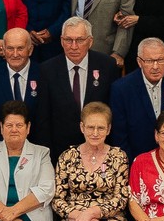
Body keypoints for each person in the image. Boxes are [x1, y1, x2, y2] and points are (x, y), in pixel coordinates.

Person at [37, 17, 117, 160]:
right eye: (68, 40)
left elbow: (114, 111)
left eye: (80, 40)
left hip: (100, 152)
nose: (73, 46)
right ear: (61, 41)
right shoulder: (47, 70)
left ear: (90, 41)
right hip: (61, 154)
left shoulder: (107, 66)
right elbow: (43, 119)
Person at [0, 28, 42, 144]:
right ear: (3, 50)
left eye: (20, 48)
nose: (15, 54)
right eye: (10, 49)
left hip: (38, 147)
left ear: (30, 50)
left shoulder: (44, 75)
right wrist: (4, 147)